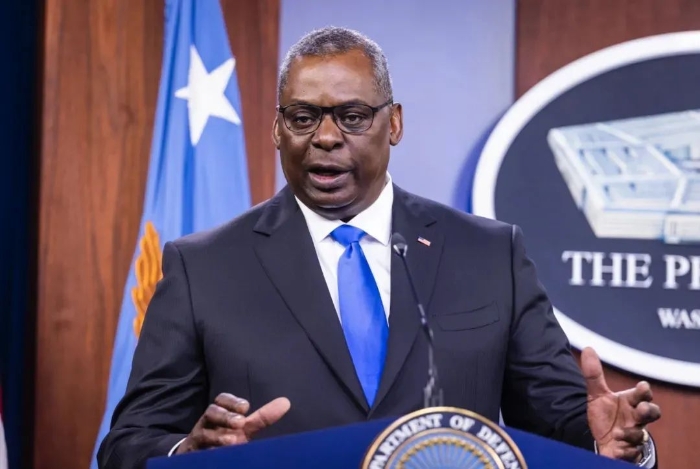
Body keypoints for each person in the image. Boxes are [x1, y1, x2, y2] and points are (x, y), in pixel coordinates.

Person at [97, 27, 661, 469]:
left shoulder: (489, 255)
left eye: (352, 116)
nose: (325, 137)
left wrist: (606, 443)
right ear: (277, 129)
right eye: (302, 117)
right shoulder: (204, 267)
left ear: (393, 124)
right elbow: (128, 443)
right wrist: (188, 455)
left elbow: (559, 423)